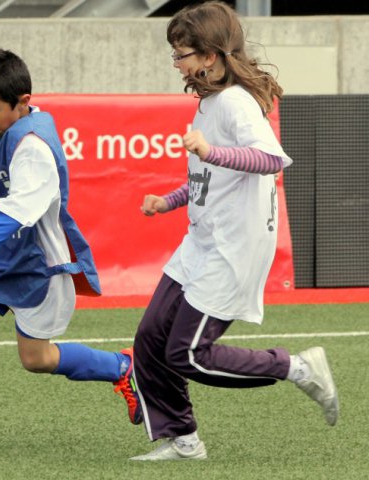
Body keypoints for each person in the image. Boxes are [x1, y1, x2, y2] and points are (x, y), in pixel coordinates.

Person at [130, 1, 339, 461]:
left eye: (181, 53)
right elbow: (209, 178)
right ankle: (183, 440)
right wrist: (170, 201)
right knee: (149, 341)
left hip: (233, 249)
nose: (176, 63)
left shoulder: (236, 103)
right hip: (201, 242)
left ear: (210, 56)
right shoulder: (209, 103)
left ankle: (295, 367)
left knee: (189, 354)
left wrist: (210, 152)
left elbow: (270, 159)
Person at [0, 47, 141, 451]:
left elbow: (18, 210)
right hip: (2, 255)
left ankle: (123, 367)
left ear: (23, 103)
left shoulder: (34, 146)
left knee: (37, 360)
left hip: (38, 265)